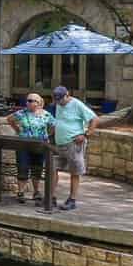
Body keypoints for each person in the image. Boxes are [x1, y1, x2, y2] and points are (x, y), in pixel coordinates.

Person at [46, 84, 97, 212]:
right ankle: (50, 197)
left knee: (74, 172)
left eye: (60, 99)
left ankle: (72, 200)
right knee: (52, 168)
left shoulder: (77, 104)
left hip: (74, 144)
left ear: (67, 94)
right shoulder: (58, 104)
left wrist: (85, 134)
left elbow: (94, 119)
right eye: (56, 100)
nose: (58, 102)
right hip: (59, 144)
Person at [6, 92, 54, 203]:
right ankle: (21, 192)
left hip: (39, 146)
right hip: (23, 145)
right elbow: (9, 119)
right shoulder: (22, 113)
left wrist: (47, 136)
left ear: (38, 103)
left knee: (37, 168)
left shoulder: (46, 114)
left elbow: (53, 126)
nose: (28, 102)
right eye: (28, 100)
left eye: (31, 101)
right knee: (22, 167)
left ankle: (36, 192)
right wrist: (18, 130)